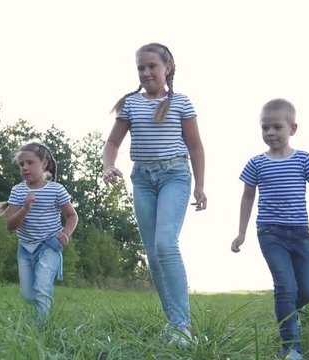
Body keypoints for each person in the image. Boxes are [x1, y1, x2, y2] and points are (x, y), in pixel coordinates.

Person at [101, 42, 207, 346]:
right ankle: (174, 324)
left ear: (167, 69)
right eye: (141, 68)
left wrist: (199, 185)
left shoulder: (182, 103)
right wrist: (108, 165)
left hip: (175, 175)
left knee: (165, 244)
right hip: (143, 180)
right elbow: (112, 144)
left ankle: (184, 327)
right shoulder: (131, 104)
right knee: (154, 255)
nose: (146, 72)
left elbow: (196, 146)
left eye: (152, 66)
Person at [231, 99, 309, 360]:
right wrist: (241, 232)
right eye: (265, 128)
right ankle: (291, 347)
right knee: (285, 286)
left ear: (292, 129)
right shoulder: (256, 164)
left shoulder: (304, 159)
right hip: (269, 233)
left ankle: (288, 314)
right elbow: (247, 198)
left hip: (299, 233)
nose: (270, 133)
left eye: (277, 127)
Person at [0, 142, 78, 325]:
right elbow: (10, 225)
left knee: (42, 288)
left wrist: (66, 233)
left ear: (44, 163)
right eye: (22, 164)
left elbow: (71, 215)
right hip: (25, 248)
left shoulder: (56, 189)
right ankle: (35, 320)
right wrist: (26, 208)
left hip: (49, 246)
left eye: (30, 163)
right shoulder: (17, 191)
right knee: (28, 294)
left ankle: (41, 328)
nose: (25, 168)